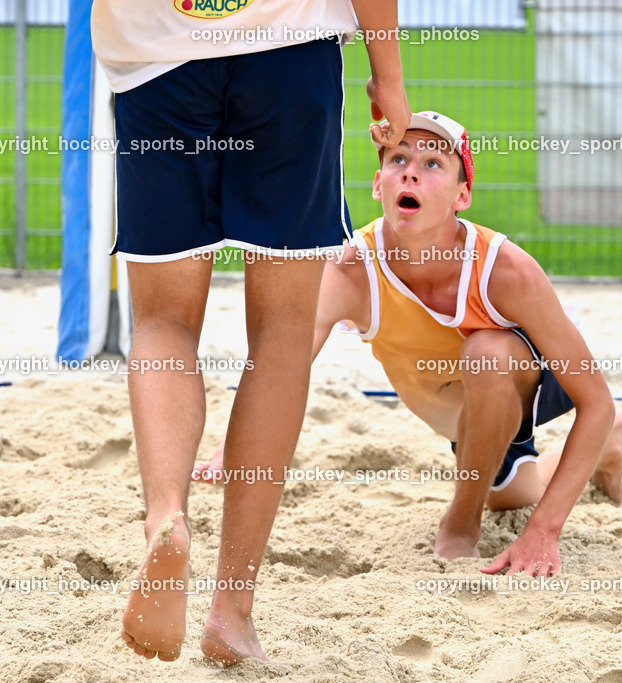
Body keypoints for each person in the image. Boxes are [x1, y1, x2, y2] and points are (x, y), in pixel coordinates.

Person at [90, 0, 411, 665]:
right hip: (289, 55)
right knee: (283, 334)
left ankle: (167, 517)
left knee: (163, 321)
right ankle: (231, 610)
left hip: (158, 61)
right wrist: (388, 74)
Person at [195, 111, 622, 582]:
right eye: (398, 158)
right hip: (467, 416)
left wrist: (544, 530)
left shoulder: (503, 268)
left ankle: (460, 524)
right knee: (514, 494)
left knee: (486, 355)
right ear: (378, 185)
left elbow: (596, 402)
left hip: (525, 377)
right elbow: (282, 364)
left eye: (433, 163)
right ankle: (607, 445)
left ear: (462, 196)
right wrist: (231, 446)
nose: (410, 171)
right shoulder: (352, 270)